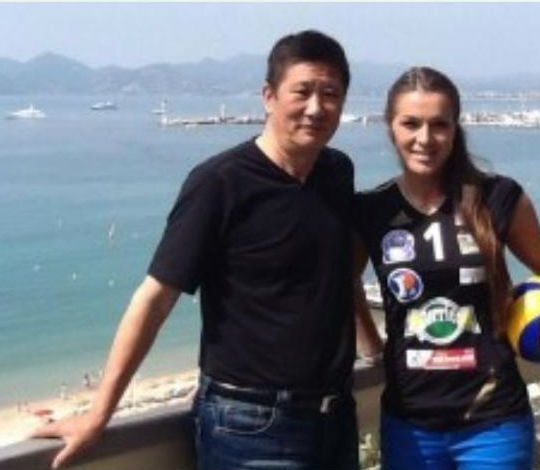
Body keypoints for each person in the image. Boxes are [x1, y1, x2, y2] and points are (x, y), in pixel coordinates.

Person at [34, 30, 360, 470]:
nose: (316, 107)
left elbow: (339, 273)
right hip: (251, 424)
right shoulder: (220, 183)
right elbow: (154, 299)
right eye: (302, 92)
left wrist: (373, 347)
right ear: (269, 97)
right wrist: (99, 414)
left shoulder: (337, 171)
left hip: (336, 418)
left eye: (331, 94)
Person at [353, 66, 540, 470]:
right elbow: (345, 282)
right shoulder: (372, 209)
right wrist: (373, 347)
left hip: (494, 425)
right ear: (390, 127)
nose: (425, 138)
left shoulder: (496, 198)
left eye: (439, 124)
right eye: (411, 123)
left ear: (455, 129)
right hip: (410, 427)